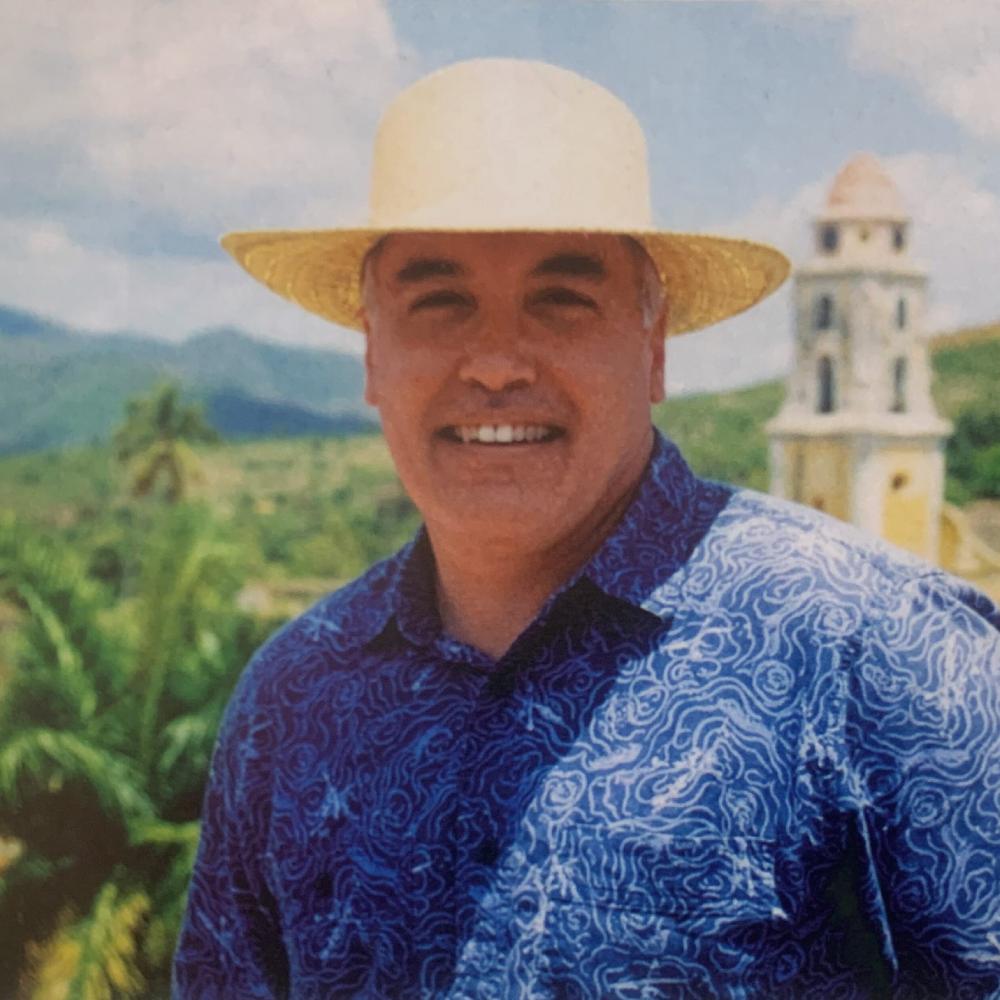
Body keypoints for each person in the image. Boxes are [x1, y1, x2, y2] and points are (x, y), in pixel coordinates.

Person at [172, 59, 1000, 999]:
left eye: (561, 299)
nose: (492, 364)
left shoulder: (884, 654)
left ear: (652, 347)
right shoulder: (292, 700)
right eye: (439, 301)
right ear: (372, 353)